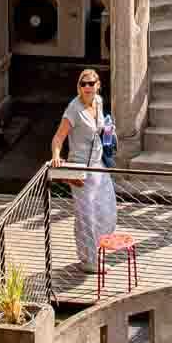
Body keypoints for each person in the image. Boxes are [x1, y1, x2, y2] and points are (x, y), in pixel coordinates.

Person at [50, 68, 118, 272]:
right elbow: (58, 138)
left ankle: (95, 250)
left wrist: (108, 130)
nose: (87, 87)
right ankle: (88, 260)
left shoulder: (98, 101)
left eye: (91, 83)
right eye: (83, 84)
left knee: (107, 212)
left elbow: (101, 129)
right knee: (86, 216)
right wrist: (56, 157)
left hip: (99, 166)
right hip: (80, 170)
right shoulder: (74, 109)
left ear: (98, 85)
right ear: (78, 87)